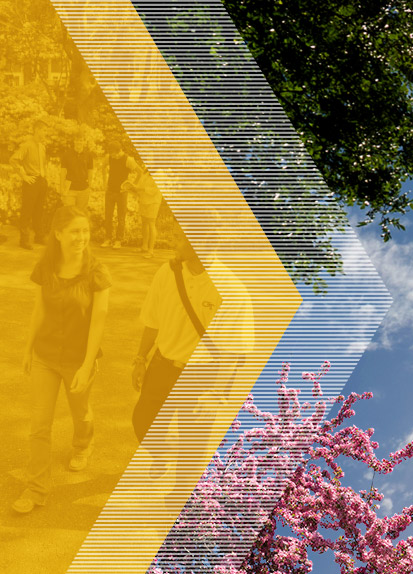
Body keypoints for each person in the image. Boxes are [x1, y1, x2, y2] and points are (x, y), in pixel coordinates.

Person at [16, 207, 111, 514]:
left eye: (84, 231)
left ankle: (83, 444)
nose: (81, 237)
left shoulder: (97, 272)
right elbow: (39, 309)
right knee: (39, 426)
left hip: (77, 359)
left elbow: (99, 321)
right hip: (45, 355)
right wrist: (28, 348)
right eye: (74, 231)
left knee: (80, 413)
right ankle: (36, 489)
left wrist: (86, 365)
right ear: (58, 234)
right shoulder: (47, 266)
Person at [132, 229, 246, 444]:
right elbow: (152, 320)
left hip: (202, 374)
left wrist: (216, 391)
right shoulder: (167, 272)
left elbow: (234, 349)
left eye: (181, 235)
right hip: (162, 365)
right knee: (143, 423)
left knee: (192, 441)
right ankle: (160, 455)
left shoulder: (230, 288)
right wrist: (140, 358)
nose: (173, 239)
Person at [11, 131, 48, 249]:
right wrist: (24, 176)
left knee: (39, 210)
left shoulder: (42, 147)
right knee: (27, 211)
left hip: (41, 181)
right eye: (43, 132)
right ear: (37, 130)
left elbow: (42, 164)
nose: (44, 135)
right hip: (30, 182)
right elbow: (13, 160)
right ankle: (24, 240)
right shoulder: (27, 145)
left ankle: (39, 236)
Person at [132, 154, 161, 258]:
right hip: (144, 200)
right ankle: (144, 246)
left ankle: (151, 250)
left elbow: (154, 190)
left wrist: (142, 189)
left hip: (153, 202)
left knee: (151, 223)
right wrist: (133, 187)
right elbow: (140, 185)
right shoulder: (146, 171)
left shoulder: (159, 173)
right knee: (144, 223)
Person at [102, 140, 130, 248]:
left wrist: (131, 185)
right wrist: (105, 182)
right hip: (110, 191)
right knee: (108, 216)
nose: (112, 156)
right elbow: (103, 167)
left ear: (119, 151)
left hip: (122, 193)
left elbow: (139, 172)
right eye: (111, 154)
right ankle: (108, 239)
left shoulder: (128, 159)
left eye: (113, 154)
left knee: (121, 217)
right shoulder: (109, 157)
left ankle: (119, 240)